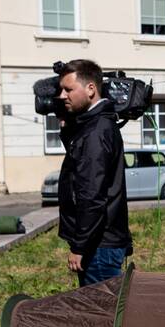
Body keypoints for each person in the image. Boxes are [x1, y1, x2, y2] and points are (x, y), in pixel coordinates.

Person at [57, 59, 132, 286]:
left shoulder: (95, 133)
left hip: (98, 247)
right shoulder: (99, 124)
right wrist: (67, 131)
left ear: (91, 89)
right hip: (103, 243)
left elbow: (91, 194)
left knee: (101, 318)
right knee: (105, 316)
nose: (61, 96)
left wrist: (80, 246)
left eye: (68, 89)